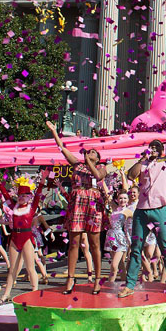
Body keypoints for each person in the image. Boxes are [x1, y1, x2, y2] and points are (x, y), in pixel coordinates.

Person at [118, 105, 166, 298]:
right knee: (136, 249)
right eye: (151, 147)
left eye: (156, 148)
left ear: (161, 151)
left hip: (159, 211)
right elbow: (130, 175)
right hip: (141, 212)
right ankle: (130, 285)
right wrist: (142, 159)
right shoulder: (143, 165)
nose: (153, 149)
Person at [47, 120, 108, 295]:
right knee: (74, 243)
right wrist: (54, 131)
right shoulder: (76, 165)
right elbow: (62, 148)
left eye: (93, 152)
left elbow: (97, 175)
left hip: (92, 205)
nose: (89, 153)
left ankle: (97, 279)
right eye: (88, 151)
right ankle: (70, 279)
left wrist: (89, 161)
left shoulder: (101, 168)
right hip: (77, 204)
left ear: (97, 157)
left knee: (95, 244)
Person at [0, 172, 47, 303]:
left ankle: (34, 292)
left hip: (27, 237)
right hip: (14, 238)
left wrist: (43, 180)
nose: (21, 197)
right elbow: (5, 195)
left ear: (29, 197)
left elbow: (39, 193)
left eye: (24, 195)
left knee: (30, 267)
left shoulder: (31, 207)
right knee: (12, 269)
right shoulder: (14, 206)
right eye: (20, 195)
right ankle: (6, 294)